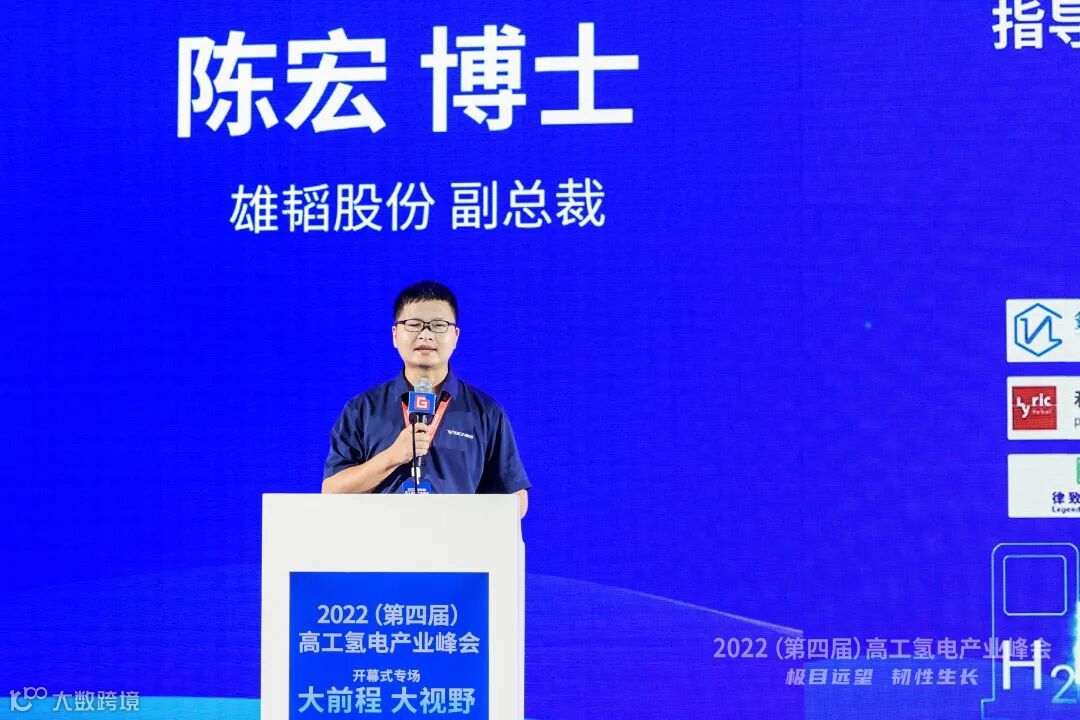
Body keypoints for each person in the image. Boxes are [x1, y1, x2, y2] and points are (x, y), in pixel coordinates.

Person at [321, 281, 530, 517]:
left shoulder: (486, 412)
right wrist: (392, 456)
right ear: (395, 335)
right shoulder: (362, 409)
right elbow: (331, 490)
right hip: (382, 538)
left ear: (455, 336)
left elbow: (515, 497)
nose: (426, 334)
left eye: (439, 325)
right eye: (414, 324)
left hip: (456, 538)